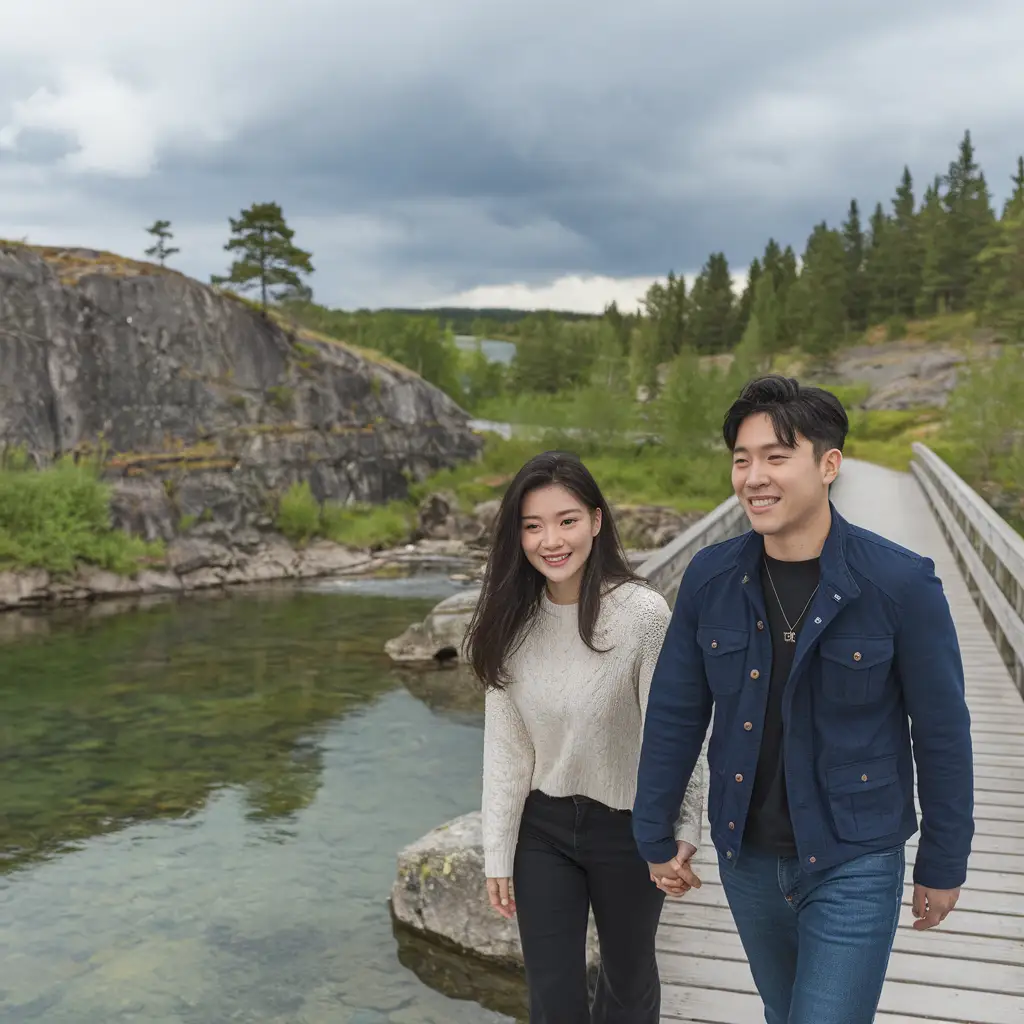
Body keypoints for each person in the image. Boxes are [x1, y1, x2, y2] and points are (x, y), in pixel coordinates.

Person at [632, 375, 974, 1024]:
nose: (753, 476)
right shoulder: (711, 577)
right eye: (741, 458)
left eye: (775, 456)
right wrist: (654, 831)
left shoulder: (901, 583)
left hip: (854, 856)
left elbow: (942, 734)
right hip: (747, 858)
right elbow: (675, 714)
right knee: (782, 1011)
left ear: (828, 465)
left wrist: (943, 859)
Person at [466, 450, 706, 1024]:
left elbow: (676, 734)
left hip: (629, 828)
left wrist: (683, 830)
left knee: (628, 982)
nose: (551, 539)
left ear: (596, 522)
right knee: (553, 995)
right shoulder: (508, 621)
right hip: (543, 830)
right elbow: (506, 751)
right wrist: (496, 851)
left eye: (566, 520)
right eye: (532, 525)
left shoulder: (643, 616)